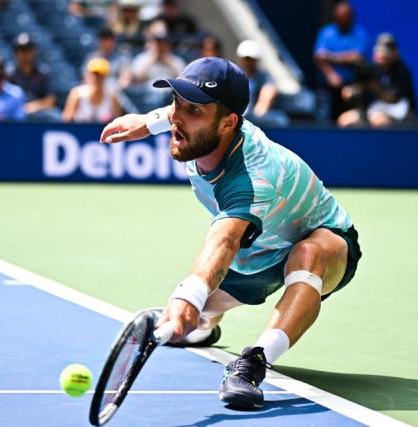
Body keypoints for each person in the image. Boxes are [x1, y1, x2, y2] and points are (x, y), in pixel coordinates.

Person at [99, 57, 362, 409]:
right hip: (262, 251)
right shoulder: (202, 132)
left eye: (193, 109)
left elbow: (224, 240)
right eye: (177, 101)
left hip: (326, 242)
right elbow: (181, 114)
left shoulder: (252, 177)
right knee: (194, 316)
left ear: (229, 123)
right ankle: (208, 325)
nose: (178, 115)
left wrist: (187, 296)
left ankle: (254, 362)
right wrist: (149, 122)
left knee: (305, 254)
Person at [338, 33, 418, 128]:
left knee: (378, 121)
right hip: (374, 109)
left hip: (398, 111)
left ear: (395, 53)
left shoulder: (401, 70)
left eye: (387, 50)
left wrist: (375, 87)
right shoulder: (372, 68)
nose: (382, 54)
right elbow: (361, 86)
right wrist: (352, 90)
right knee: (344, 120)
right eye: (379, 49)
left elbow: (392, 99)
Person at [313, 0, 368, 122]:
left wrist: (332, 57)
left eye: (345, 17)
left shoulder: (359, 33)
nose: (341, 20)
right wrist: (331, 74)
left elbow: (357, 57)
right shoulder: (327, 33)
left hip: (353, 84)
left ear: (350, 17)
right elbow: (319, 56)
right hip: (330, 85)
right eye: (339, 17)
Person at [7, 33, 60, 122]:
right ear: (16, 53)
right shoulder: (9, 73)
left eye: (28, 50)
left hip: (38, 111)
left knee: (55, 115)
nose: (25, 55)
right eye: (22, 51)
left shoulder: (43, 72)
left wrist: (31, 107)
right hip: (15, 111)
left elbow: (50, 100)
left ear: (34, 52)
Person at [235, 40, 286, 127]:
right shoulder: (233, 76)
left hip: (252, 120)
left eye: (251, 59)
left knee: (280, 118)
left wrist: (257, 116)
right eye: (246, 59)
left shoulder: (264, 78)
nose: (248, 62)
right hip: (237, 119)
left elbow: (269, 91)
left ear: (256, 60)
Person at [62, 57, 122, 123]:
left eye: (101, 76)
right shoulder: (77, 94)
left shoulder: (113, 97)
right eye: (94, 74)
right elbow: (66, 120)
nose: (96, 78)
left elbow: (117, 123)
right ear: (88, 75)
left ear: (105, 77)